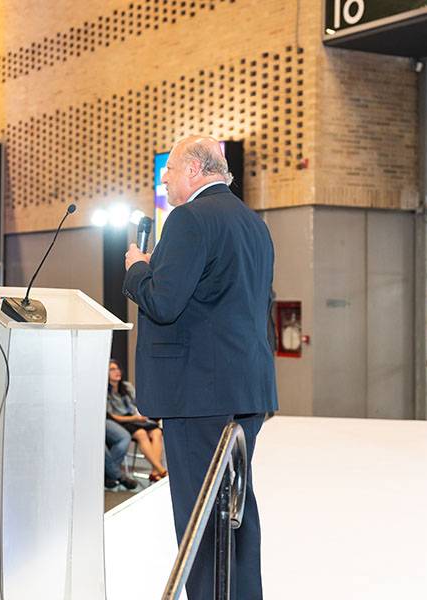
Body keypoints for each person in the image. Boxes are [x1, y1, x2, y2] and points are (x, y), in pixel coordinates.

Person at [123, 135, 277, 600]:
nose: (165, 180)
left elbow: (163, 302)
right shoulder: (253, 223)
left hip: (198, 395)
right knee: (237, 511)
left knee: (200, 519)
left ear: (193, 170)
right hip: (245, 390)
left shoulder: (189, 219)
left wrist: (137, 268)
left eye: (169, 171)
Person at [106, 360, 167, 481]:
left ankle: (155, 471)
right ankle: (161, 470)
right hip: (122, 421)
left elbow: (137, 404)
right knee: (141, 434)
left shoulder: (127, 387)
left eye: (117, 368)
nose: (117, 372)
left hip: (137, 418)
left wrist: (140, 416)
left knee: (157, 432)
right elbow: (112, 416)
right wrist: (133, 418)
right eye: (112, 369)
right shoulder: (106, 392)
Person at [105, 420, 137, 491]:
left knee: (124, 437)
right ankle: (118, 476)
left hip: (103, 418)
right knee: (100, 444)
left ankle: (109, 473)